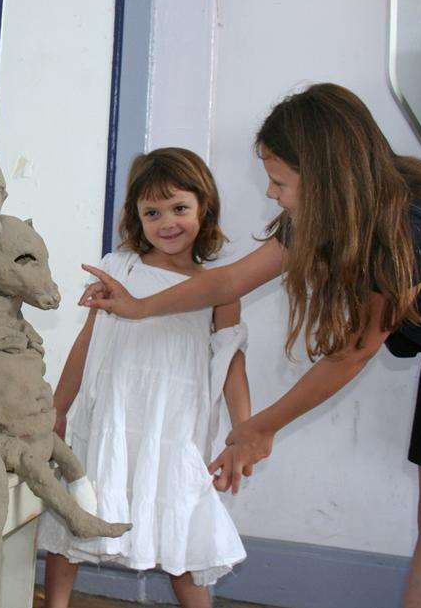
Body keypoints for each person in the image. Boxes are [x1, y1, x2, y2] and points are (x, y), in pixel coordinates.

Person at [80, 83, 421, 608]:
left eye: (279, 179)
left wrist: (261, 428)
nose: (270, 192)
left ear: (325, 176)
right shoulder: (323, 214)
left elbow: (354, 350)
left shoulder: (413, 226)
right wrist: (140, 306)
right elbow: (229, 282)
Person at [39, 148, 251, 608]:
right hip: (111, 417)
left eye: (179, 208)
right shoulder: (121, 268)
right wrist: (58, 406)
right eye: (152, 212)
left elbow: (232, 360)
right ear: (136, 216)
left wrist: (243, 430)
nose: (166, 222)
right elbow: (88, 342)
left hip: (174, 428)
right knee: (79, 512)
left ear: (204, 207)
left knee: (184, 531)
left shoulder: (218, 286)